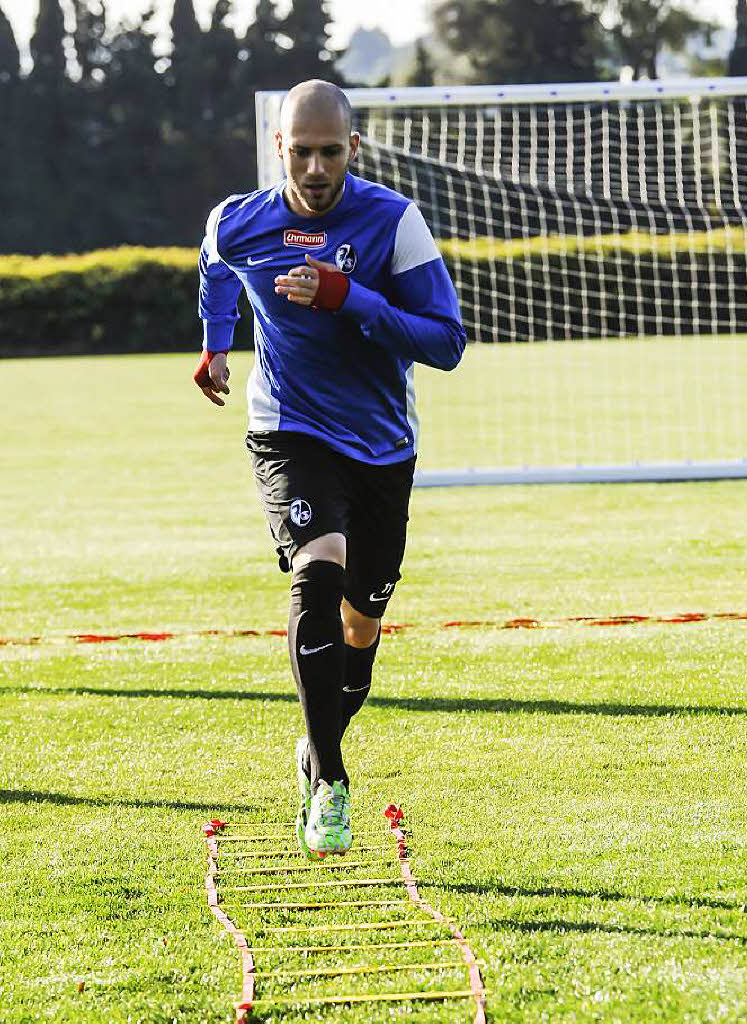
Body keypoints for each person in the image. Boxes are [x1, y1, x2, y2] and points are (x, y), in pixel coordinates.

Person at [193, 79, 466, 857]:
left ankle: (317, 746)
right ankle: (330, 782)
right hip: (288, 429)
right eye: (299, 151)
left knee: (361, 620)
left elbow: (444, 342)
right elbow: (214, 267)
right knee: (316, 569)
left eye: (328, 151)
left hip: (381, 445)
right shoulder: (239, 222)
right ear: (278, 148)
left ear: (354, 148)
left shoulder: (392, 224)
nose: (314, 168)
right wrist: (215, 343)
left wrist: (347, 296)